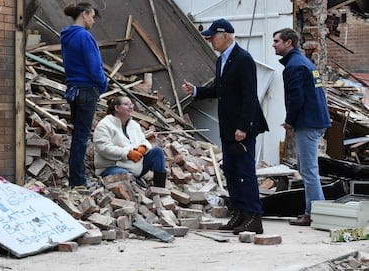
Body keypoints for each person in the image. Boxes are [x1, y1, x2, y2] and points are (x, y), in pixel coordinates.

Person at [182, 19, 268, 234]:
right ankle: (239, 212)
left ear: (226, 36)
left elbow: (250, 96)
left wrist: (244, 127)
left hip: (241, 127)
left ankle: (253, 216)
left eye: (213, 36)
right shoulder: (222, 60)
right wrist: (196, 91)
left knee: (245, 172)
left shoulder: (243, 59)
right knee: (230, 171)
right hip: (229, 127)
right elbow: (220, 90)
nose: (211, 40)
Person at [272, 28, 331, 226]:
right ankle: (314, 210)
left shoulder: (294, 66)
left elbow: (296, 97)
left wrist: (290, 120)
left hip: (308, 122)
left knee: (308, 170)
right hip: (314, 120)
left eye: (277, 41)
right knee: (306, 168)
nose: (274, 45)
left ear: (288, 43)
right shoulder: (304, 62)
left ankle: (314, 213)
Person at [60, 2, 108, 189]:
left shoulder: (66, 36)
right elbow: (95, 67)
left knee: (78, 136)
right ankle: (78, 181)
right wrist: (103, 85)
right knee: (82, 136)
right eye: (92, 16)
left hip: (73, 89)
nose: (93, 21)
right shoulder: (84, 37)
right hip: (87, 90)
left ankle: (76, 178)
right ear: (85, 14)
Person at [93, 96, 167, 187]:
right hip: (113, 167)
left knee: (157, 152)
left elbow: (143, 140)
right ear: (117, 108)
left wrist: (143, 147)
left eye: (131, 104)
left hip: (136, 167)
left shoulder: (134, 125)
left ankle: (160, 188)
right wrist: (127, 154)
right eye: (126, 104)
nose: (131, 107)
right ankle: (136, 183)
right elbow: (104, 149)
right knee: (126, 176)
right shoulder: (104, 125)